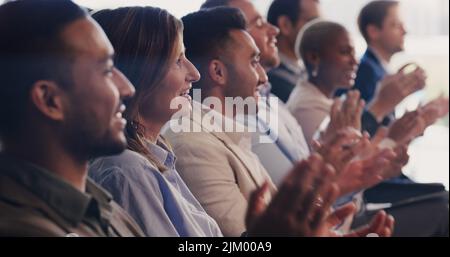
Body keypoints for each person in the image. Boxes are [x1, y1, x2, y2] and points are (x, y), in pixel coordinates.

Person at [0, 0, 144, 236]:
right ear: (50, 100)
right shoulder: (23, 228)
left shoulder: (99, 205)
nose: (127, 88)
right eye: (107, 70)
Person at [267, 0, 320, 102]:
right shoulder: (272, 79)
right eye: (314, 23)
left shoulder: (308, 70)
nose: (321, 32)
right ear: (285, 25)